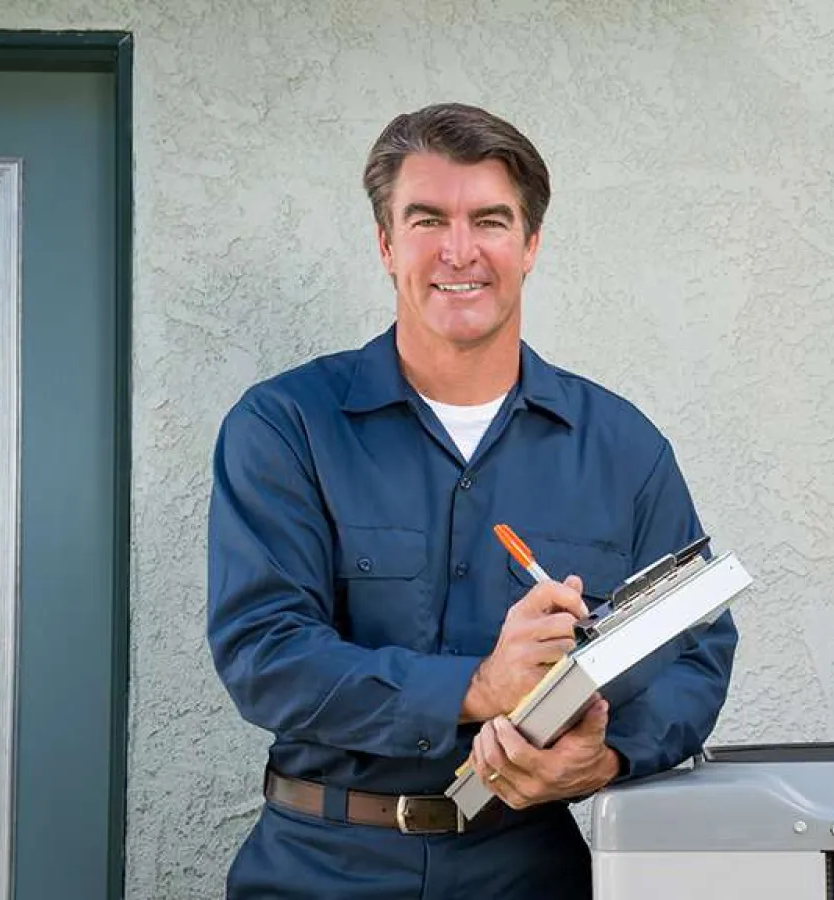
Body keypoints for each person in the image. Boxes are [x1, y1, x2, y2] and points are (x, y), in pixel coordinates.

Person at [205, 102, 738, 899]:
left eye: (490, 220)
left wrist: (609, 755)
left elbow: (695, 644)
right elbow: (265, 653)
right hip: (319, 869)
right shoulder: (285, 428)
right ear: (387, 244)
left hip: (528, 870)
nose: (460, 250)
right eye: (427, 220)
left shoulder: (622, 447)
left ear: (530, 245)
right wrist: (478, 688)